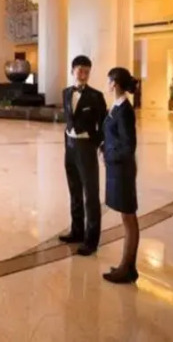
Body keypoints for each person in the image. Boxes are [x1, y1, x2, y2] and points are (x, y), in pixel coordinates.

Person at [59, 55, 108, 256]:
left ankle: (91, 240)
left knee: (91, 195)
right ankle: (77, 231)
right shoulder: (66, 93)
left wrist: (95, 143)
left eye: (87, 71)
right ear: (72, 71)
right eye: (80, 70)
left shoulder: (96, 96)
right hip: (70, 147)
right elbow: (68, 118)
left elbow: (104, 124)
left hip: (86, 147)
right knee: (74, 191)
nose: (83, 74)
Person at [102, 67, 139, 284]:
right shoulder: (117, 106)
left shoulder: (124, 110)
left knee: (128, 216)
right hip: (117, 168)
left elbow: (128, 146)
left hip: (122, 169)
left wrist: (109, 155)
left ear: (114, 83)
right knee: (127, 216)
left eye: (108, 81)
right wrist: (104, 147)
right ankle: (127, 265)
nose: (107, 84)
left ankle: (128, 267)